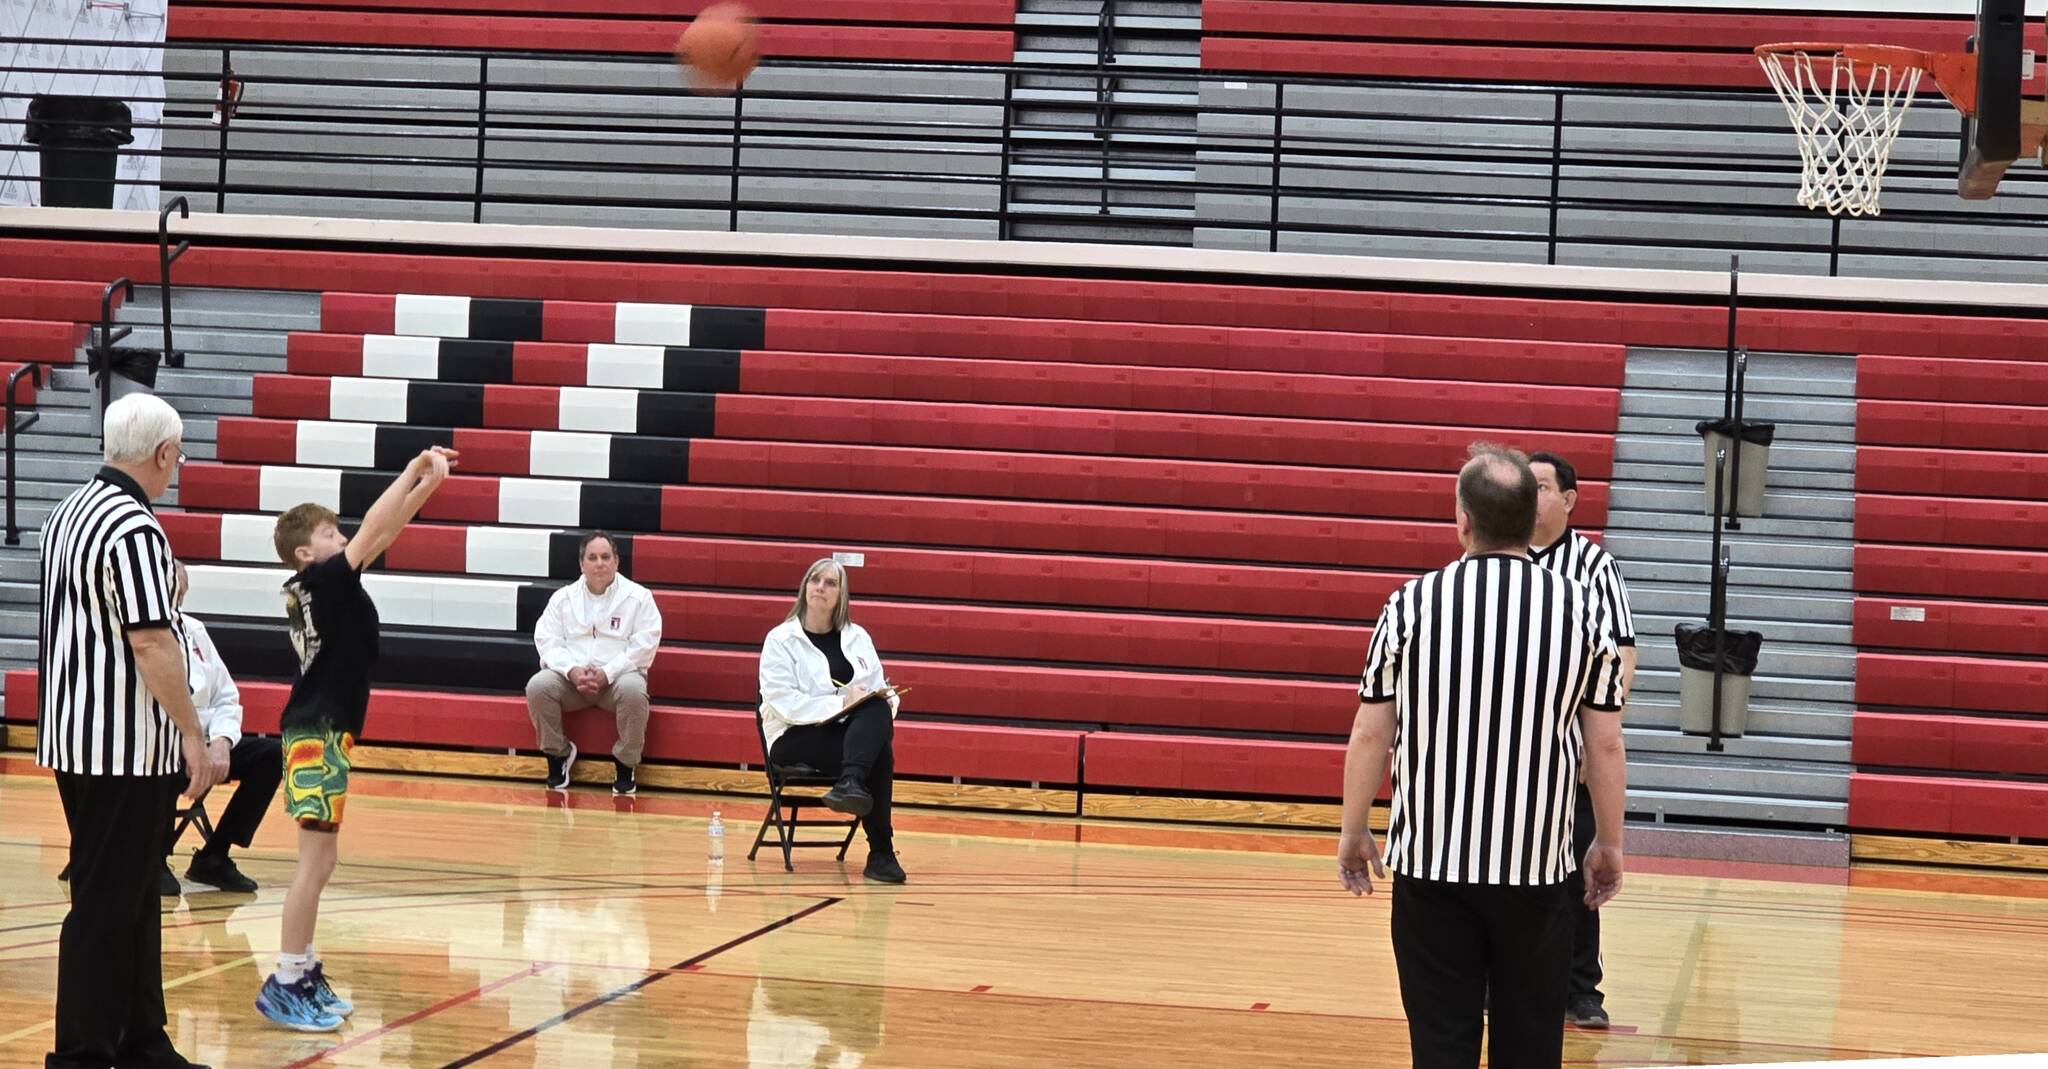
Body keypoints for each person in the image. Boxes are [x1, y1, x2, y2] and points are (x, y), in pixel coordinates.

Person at [1338, 443, 1628, 1069]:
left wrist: (1353, 829)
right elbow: (1604, 741)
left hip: (1432, 869)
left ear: (1463, 520)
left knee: (1441, 1045)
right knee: (1529, 1048)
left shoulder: (1409, 605)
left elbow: (1370, 733)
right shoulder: (1582, 613)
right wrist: (1608, 842)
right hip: (1536, 871)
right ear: (1530, 519)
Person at [39, 392, 222, 1069]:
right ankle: (81, 1054)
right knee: (107, 902)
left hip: (73, 736)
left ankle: (145, 1040)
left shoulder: (69, 511)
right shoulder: (135, 527)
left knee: (137, 891)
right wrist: (193, 732)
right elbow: (150, 642)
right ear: (163, 453)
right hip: (125, 746)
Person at [255, 445, 456, 1032]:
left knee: (323, 860)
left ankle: (305, 968)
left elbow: (381, 530)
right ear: (303, 551)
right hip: (316, 731)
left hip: (324, 728)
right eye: (329, 533)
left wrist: (427, 490)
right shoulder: (322, 581)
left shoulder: (326, 584)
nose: (341, 540)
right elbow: (374, 527)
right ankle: (288, 977)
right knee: (312, 865)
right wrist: (413, 468)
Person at [1528, 451, 1638, 1030]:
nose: (1530, 495)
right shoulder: (1495, 555)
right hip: (1511, 753)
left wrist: (1594, 729)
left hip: (1572, 753)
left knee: (1578, 875)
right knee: (1506, 875)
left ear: (1569, 499)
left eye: (1541, 486)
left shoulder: (1594, 566)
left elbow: (1622, 652)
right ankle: (1503, 983)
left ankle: (1580, 989)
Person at [757, 558, 904, 884]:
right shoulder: (780, 640)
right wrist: (840, 704)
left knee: (879, 709)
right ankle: (881, 852)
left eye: (830, 583)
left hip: (848, 737)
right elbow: (784, 704)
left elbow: (880, 689)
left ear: (842, 595)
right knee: (877, 748)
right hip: (793, 737)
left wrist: (882, 699)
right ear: (805, 587)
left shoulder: (858, 637)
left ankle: (850, 782)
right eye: (815, 580)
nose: (820, 587)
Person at [168, 559, 285, 895]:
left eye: (181, 586)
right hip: (162, 746)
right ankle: (152, 859)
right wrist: (187, 745)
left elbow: (226, 697)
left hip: (205, 741)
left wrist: (221, 741)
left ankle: (215, 855)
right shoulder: (137, 636)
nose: (178, 591)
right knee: (157, 756)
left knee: (271, 754)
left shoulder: (194, 630)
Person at [525, 531, 662, 796]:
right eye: (593, 557)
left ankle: (625, 763)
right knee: (538, 686)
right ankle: (559, 755)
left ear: (616, 562)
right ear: (581, 564)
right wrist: (572, 671)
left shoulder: (639, 597)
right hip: (572, 682)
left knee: (635, 690)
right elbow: (547, 640)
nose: (599, 563)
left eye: (605, 557)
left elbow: (644, 646)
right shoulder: (562, 599)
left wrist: (607, 673)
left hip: (616, 683)